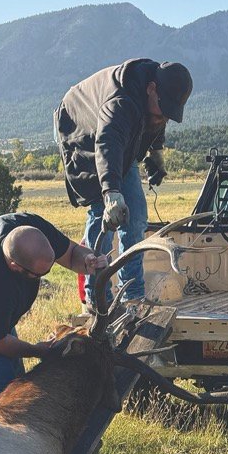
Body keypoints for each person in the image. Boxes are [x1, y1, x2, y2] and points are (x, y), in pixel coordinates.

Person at [0, 212, 109, 405]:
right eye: (38, 274)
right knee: (5, 405)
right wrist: (38, 350)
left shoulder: (29, 228)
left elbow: (71, 253)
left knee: (18, 386)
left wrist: (87, 259)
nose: (43, 277)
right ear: (15, 266)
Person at [55, 58, 193, 301]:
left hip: (118, 143)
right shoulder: (120, 102)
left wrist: (156, 153)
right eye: (164, 107)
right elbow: (107, 144)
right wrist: (111, 193)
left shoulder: (156, 94)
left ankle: (133, 294)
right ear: (151, 89)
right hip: (84, 135)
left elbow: (157, 120)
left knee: (136, 215)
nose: (165, 115)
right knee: (103, 215)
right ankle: (97, 295)